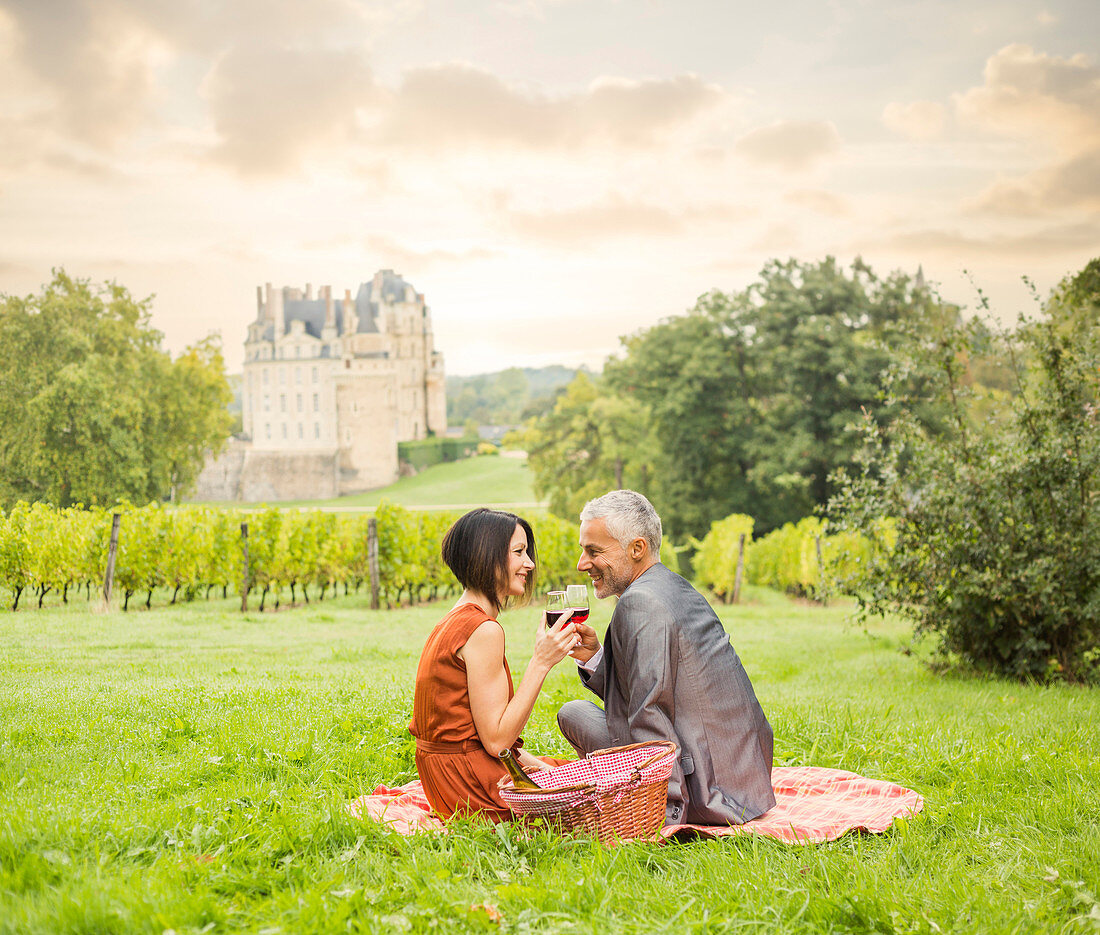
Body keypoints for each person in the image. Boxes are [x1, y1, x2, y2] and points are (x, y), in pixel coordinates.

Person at [557, 490, 776, 827]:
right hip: (745, 780)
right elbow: (658, 688)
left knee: (573, 714)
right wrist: (594, 658)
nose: (581, 563)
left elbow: (650, 710)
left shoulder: (639, 603)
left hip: (707, 792)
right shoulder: (673, 586)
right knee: (584, 714)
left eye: (594, 551)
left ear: (637, 548)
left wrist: (666, 812)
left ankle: (630, 798)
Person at [409, 507, 579, 821]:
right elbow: (497, 740)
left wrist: (536, 768)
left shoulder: (455, 619)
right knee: (586, 793)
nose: (529, 564)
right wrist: (540, 663)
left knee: (563, 770)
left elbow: (479, 733)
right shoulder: (484, 630)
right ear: (488, 557)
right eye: (519, 552)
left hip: (444, 777)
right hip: (467, 786)